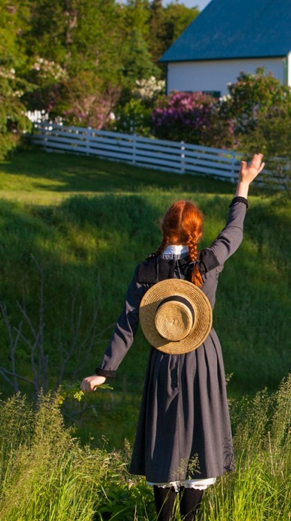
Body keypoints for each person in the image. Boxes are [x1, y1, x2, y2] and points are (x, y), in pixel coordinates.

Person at [81, 154, 265, 521]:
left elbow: (127, 322)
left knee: (166, 438)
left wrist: (105, 370)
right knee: (199, 435)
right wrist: (243, 184)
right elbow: (235, 231)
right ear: (196, 232)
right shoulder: (207, 262)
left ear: (164, 229)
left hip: (163, 357)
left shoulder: (146, 270)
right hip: (203, 357)